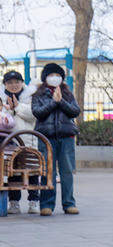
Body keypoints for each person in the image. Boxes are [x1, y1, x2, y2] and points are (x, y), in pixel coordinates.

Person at [31, 63, 80, 216]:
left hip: (66, 137)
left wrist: (61, 101)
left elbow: (75, 111)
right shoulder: (38, 94)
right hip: (46, 137)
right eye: (51, 75)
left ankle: (69, 203)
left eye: (58, 75)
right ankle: (46, 205)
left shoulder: (67, 93)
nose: (55, 78)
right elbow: (37, 112)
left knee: (67, 171)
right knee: (48, 172)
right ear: (45, 78)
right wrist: (53, 102)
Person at [3, 70, 40, 214]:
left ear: (22, 82)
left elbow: (33, 115)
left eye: (17, 82)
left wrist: (17, 106)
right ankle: (14, 202)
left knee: (32, 172)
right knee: (13, 173)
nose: (13, 85)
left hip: (28, 141)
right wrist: (8, 110)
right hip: (10, 143)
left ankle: (34, 201)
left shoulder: (31, 96)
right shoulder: (2, 98)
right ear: (5, 84)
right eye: (10, 82)